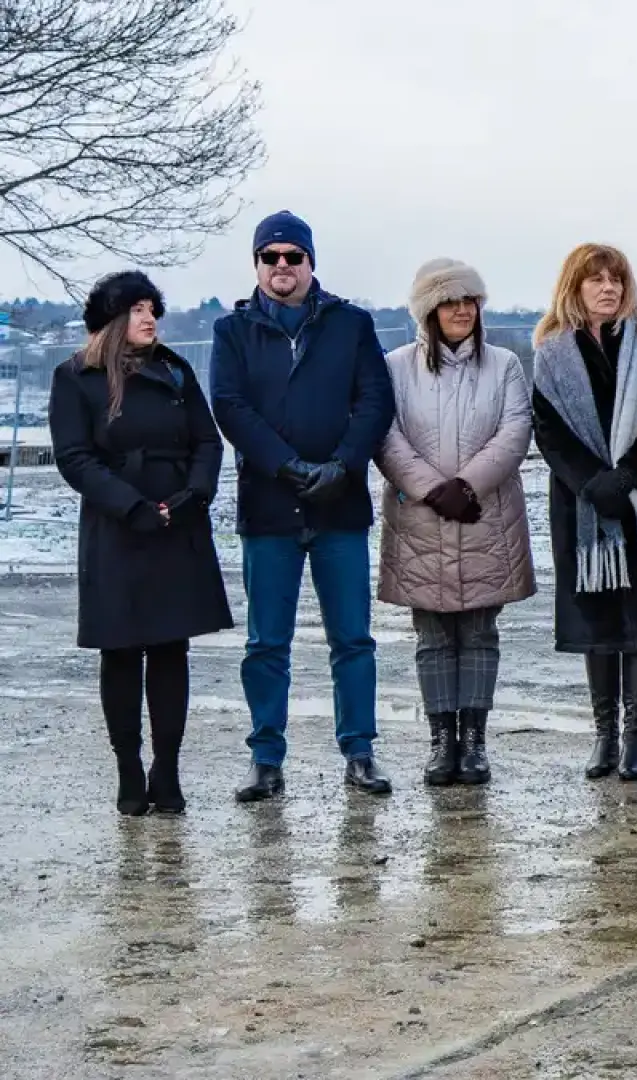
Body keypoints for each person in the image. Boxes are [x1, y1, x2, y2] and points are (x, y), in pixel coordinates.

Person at [210, 210, 398, 802]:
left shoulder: (351, 325)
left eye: (294, 256)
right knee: (267, 643)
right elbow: (230, 407)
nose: (282, 266)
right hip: (270, 508)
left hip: (339, 506)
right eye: (270, 257)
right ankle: (266, 758)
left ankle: (360, 752)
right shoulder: (232, 331)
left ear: (311, 262)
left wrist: (342, 464)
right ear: (256, 265)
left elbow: (375, 400)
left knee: (353, 638)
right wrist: (286, 466)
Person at [49, 272, 234, 816]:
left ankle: (167, 768)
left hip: (178, 522)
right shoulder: (76, 376)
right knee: (122, 650)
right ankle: (128, 767)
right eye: (136, 309)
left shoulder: (175, 370)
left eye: (153, 308)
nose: (149, 318)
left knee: (172, 648)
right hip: (116, 527)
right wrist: (131, 506)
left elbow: (207, 441)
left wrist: (193, 496)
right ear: (111, 319)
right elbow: (74, 457)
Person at [530, 243, 637, 783]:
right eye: (596, 279)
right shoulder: (552, 351)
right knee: (599, 620)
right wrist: (592, 482)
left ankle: (635, 736)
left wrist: (627, 476)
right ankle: (604, 734)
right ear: (574, 287)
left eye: (616, 279)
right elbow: (549, 431)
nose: (608, 288)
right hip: (582, 505)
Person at [375, 258, 535, 787]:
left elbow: (515, 430)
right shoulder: (396, 367)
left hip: (485, 515)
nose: (462, 310)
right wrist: (431, 490)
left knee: (480, 632)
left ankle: (474, 741)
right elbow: (386, 435)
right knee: (433, 635)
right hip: (421, 520)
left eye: (469, 301)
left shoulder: (505, 365)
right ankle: (442, 740)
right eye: (450, 302)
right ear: (429, 311)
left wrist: (467, 487)